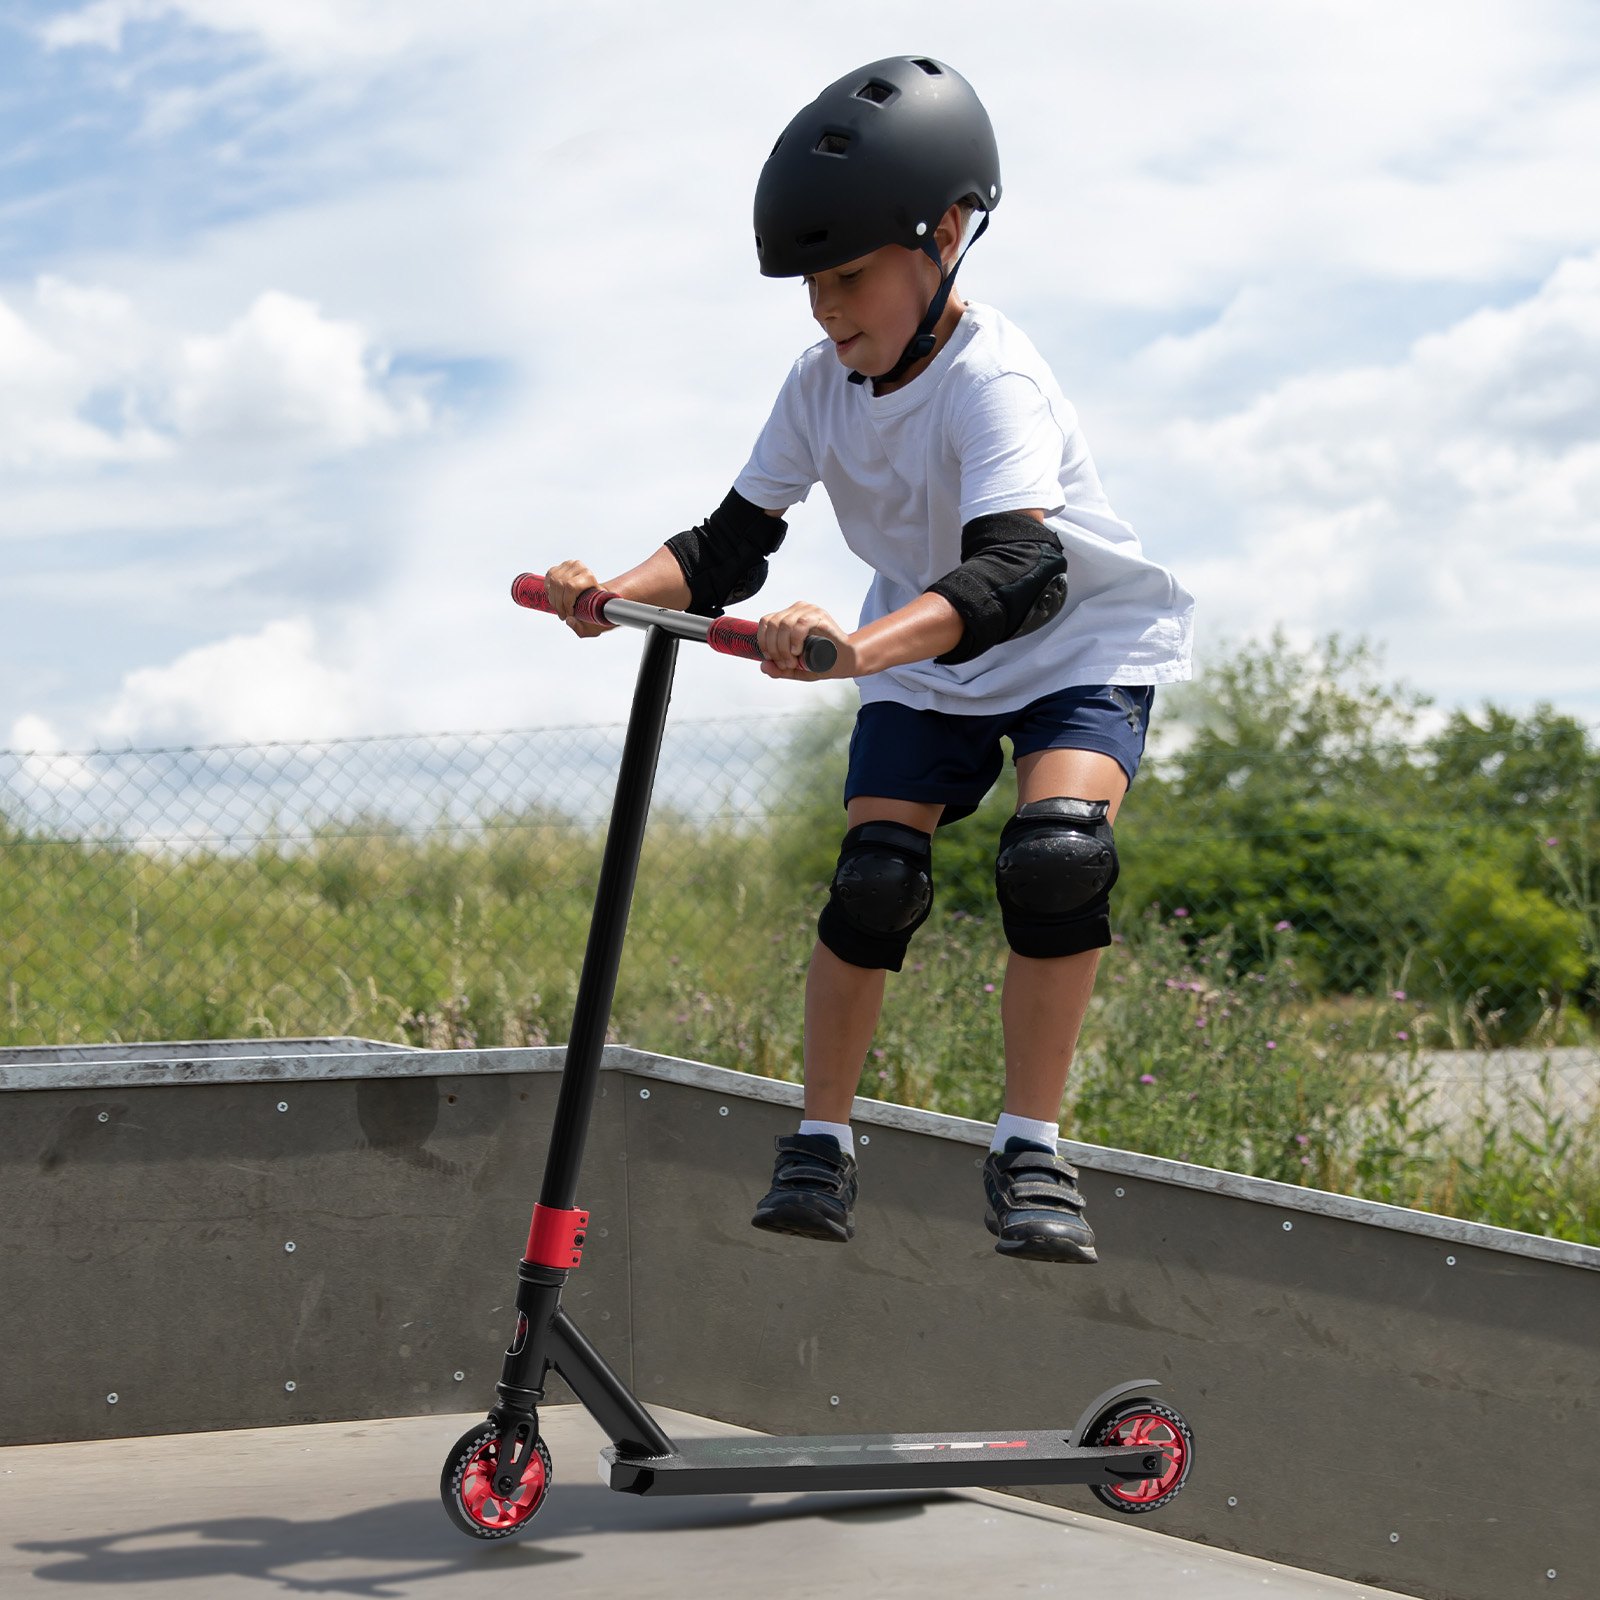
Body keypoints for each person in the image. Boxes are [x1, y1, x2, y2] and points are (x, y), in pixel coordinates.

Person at [545, 55, 1193, 1264]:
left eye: (848, 276)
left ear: (945, 235)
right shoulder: (818, 385)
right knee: (874, 881)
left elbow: (1016, 572)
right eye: (808, 286)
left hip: (1067, 643)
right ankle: (821, 1145)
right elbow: (729, 545)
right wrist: (607, 593)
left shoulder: (992, 378)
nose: (825, 309)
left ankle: (1028, 1147)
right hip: (918, 642)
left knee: (1054, 859)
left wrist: (852, 651)